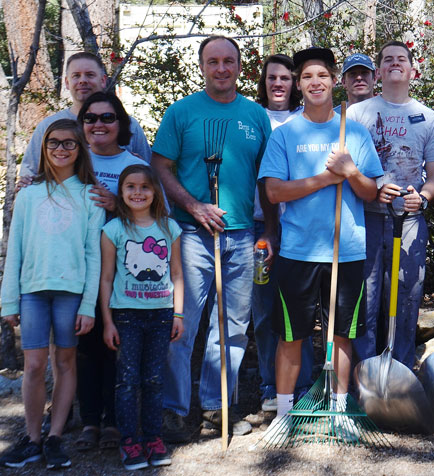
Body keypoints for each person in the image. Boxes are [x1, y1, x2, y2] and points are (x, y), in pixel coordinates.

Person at [258, 47, 383, 436]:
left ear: (334, 82)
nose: (315, 82)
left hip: (345, 251)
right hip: (297, 251)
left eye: (322, 76)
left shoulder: (354, 132)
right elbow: (274, 192)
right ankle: (283, 413)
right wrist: (326, 179)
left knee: (342, 335)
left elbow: (371, 193)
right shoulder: (286, 134)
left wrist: (350, 171)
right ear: (299, 84)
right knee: (290, 336)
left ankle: (339, 410)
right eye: (307, 76)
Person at [152, 36, 272, 442]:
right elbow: (160, 167)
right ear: (203, 66)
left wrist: (268, 229)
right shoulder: (181, 112)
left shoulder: (256, 116)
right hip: (189, 233)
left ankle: (216, 405)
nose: (221, 68)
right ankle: (172, 409)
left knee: (232, 328)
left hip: (241, 237)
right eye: (213, 61)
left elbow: (267, 180)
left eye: (229, 61)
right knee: (180, 323)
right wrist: (194, 205)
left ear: (240, 66)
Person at [0, 119, 104, 470]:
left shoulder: (90, 196)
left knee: (65, 361)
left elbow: (93, 254)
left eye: (69, 144)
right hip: (32, 291)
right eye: (53, 143)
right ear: (43, 149)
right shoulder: (29, 195)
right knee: (34, 364)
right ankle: (32, 439)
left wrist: (88, 305)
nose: (61, 149)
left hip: (71, 293)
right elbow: (15, 250)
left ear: (80, 150)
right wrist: (8, 300)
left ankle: (56, 436)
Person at [347, 40, 434, 369]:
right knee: (367, 297)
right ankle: (365, 376)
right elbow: (346, 166)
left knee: (407, 298)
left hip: (409, 221)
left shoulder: (428, 118)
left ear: (411, 69)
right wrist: (374, 187)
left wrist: (424, 197)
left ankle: (401, 373)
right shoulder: (358, 113)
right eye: (387, 59)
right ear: (379, 71)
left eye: (401, 59)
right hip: (365, 218)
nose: (394, 63)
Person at [70, 91, 148, 452]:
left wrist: (118, 205)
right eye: (91, 118)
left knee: (116, 346)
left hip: (121, 272)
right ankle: (88, 421)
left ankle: (115, 422)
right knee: (85, 347)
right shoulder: (69, 158)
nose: (99, 124)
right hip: (77, 269)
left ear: (121, 124)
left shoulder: (133, 165)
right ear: (82, 124)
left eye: (107, 117)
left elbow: (152, 221)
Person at [100, 165, 184, 470]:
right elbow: (106, 278)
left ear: (155, 192)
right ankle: (129, 441)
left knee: (154, 379)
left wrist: (178, 313)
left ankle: (152, 437)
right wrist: (108, 321)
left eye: (145, 187)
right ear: (121, 193)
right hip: (126, 315)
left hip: (161, 315)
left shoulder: (168, 228)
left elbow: (176, 273)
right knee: (127, 380)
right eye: (130, 187)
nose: (138, 193)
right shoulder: (113, 230)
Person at [253, 53, 313, 413]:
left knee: (298, 309)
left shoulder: (304, 120)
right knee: (263, 311)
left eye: (285, 78)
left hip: (298, 228)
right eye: (272, 77)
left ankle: (301, 386)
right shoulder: (253, 117)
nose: (278, 84)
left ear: (295, 84)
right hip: (259, 227)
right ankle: (267, 386)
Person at [20, 52, 151, 178]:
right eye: (76, 76)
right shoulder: (49, 126)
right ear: (67, 82)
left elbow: (150, 176)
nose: (83, 81)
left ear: (103, 80)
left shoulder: (128, 125)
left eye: (90, 75)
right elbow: (30, 173)